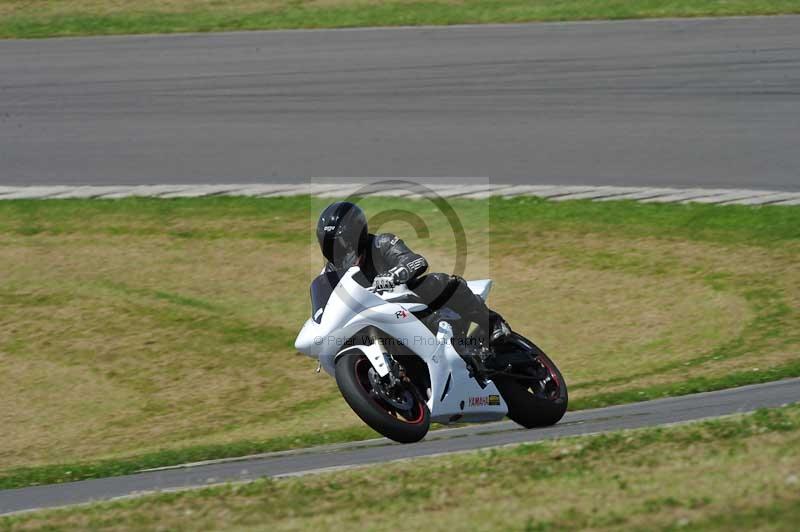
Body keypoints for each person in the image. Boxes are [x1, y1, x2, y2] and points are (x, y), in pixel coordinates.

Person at [316, 201, 511, 345]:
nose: (337, 250)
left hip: (409, 303)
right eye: (329, 244)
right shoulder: (330, 274)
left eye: (341, 242)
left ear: (356, 234)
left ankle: (492, 322)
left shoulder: (381, 243)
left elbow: (416, 260)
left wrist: (394, 275)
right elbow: (325, 311)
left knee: (439, 281)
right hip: (375, 322)